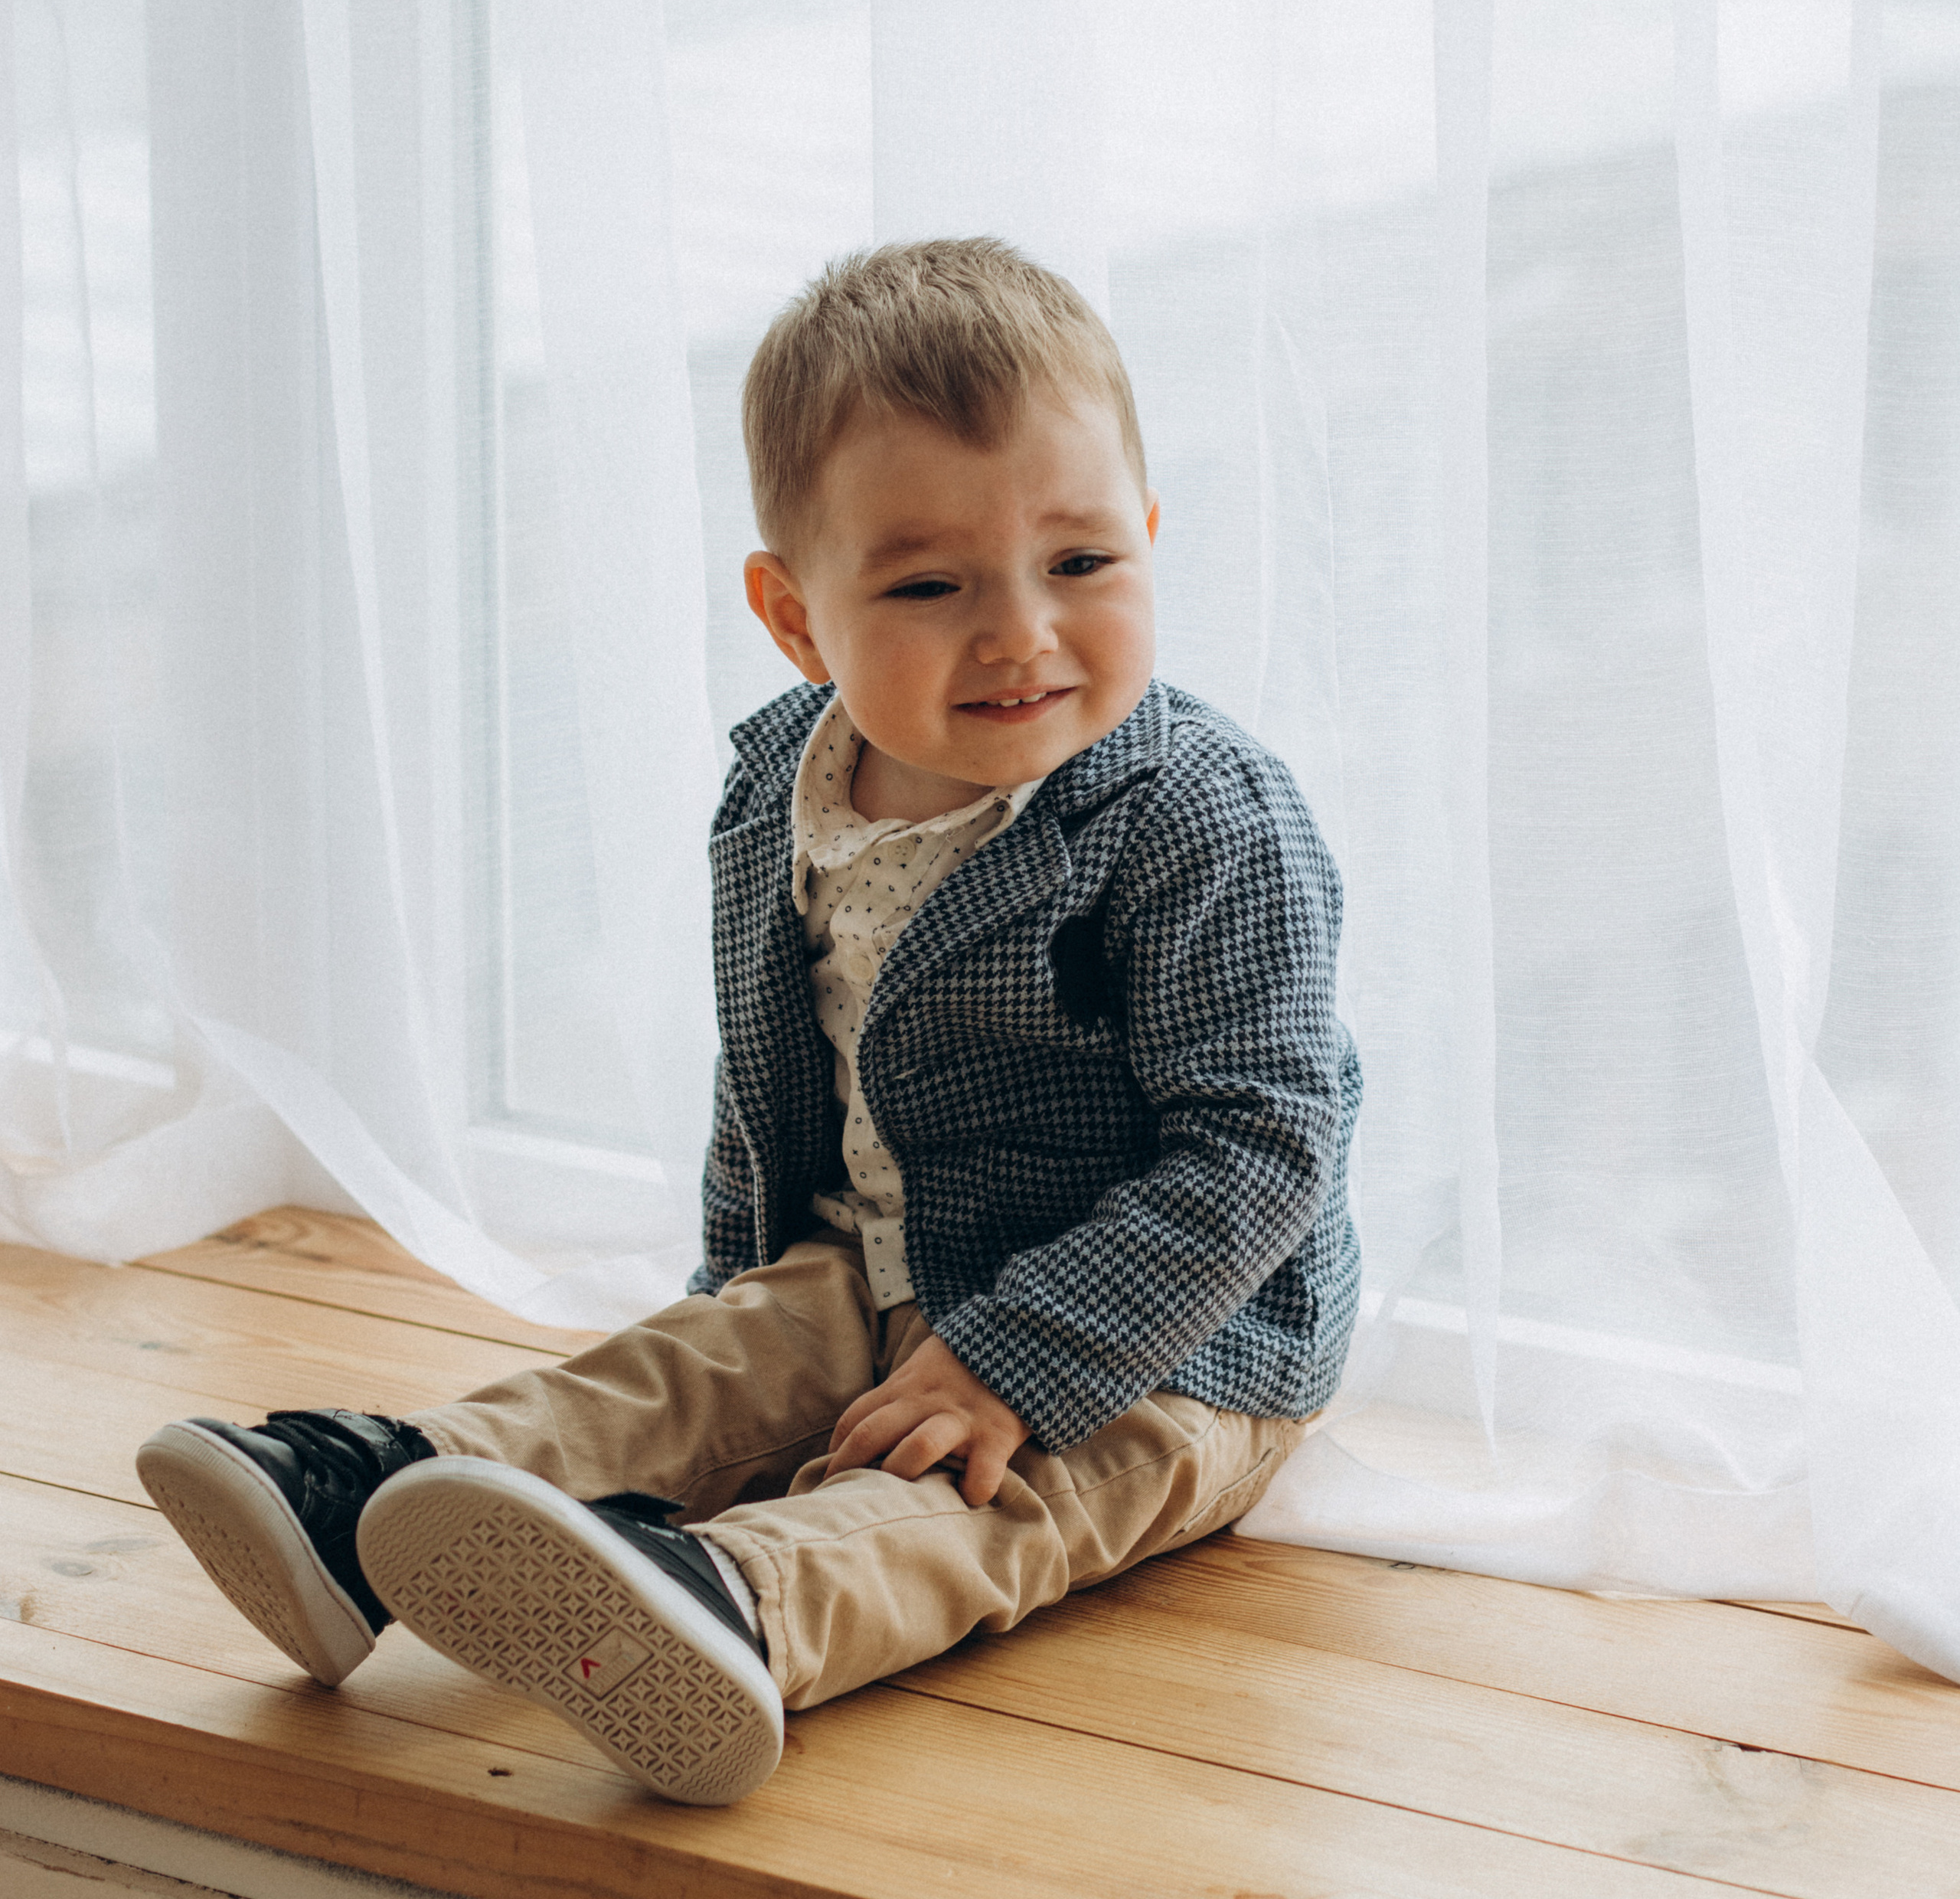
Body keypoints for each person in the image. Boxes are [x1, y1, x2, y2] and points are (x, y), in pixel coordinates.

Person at [137, 237, 1361, 1808]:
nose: (1017, 633)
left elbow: (1258, 1153)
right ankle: (376, 1501)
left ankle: (738, 1603)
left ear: (1147, 535)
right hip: (875, 1260)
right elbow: (775, 1071)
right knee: (687, 1371)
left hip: (1164, 1339)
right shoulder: (783, 783)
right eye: (929, 585)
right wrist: (741, 1299)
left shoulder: (1200, 816)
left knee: (1008, 1502)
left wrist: (1013, 1361)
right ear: (796, 620)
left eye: (1080, 563)